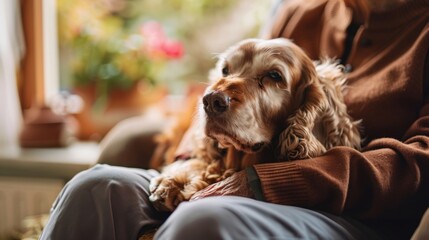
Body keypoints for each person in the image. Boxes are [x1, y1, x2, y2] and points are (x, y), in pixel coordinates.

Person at [40, 0, 429, 239]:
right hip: (230, 178)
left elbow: (419, 166)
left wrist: (263, 183)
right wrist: (187, 167)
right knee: (96, 187)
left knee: (204, 220)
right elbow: (228, 90)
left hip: (351, 216)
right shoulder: (300, 11)